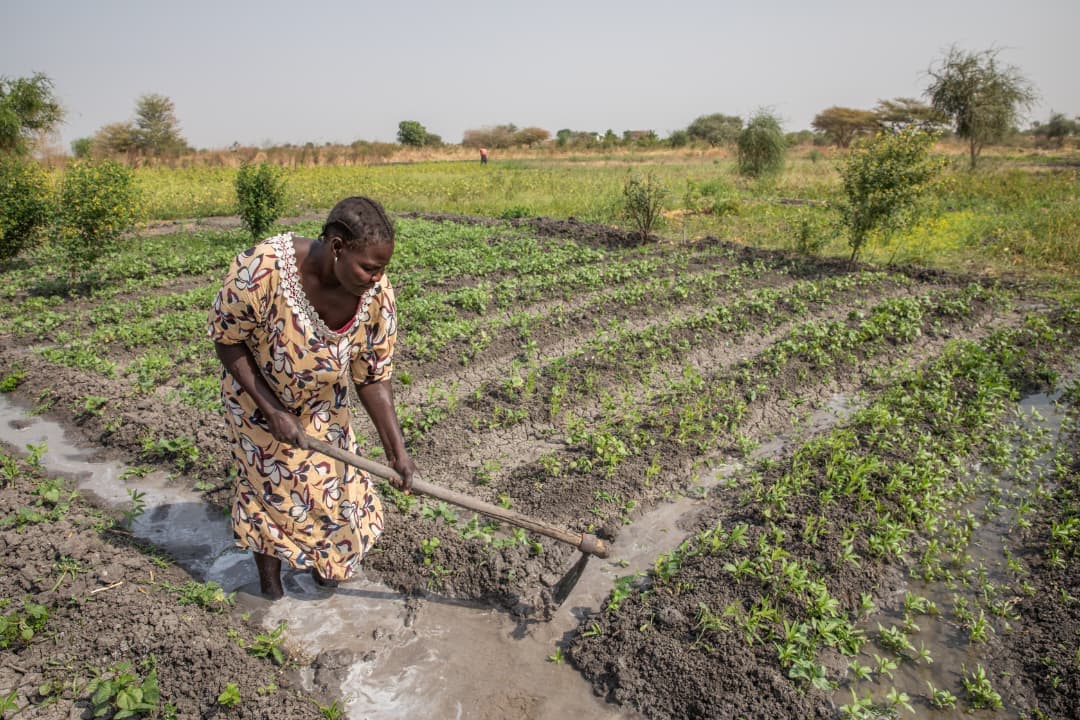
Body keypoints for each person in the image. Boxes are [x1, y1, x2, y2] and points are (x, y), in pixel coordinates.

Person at [207, 196, 418, 600]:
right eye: (370, 267)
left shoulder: (376, 295)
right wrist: (272, 411)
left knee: (336, 493)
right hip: (257, 405)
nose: (377, 277)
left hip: (324, 404)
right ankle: (271, 591)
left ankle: (327, 579)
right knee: (268, 492)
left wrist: (397, 451)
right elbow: (227, 340)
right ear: (337, 247)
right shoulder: (264, 267)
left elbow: (373, 375)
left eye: (383, 268)